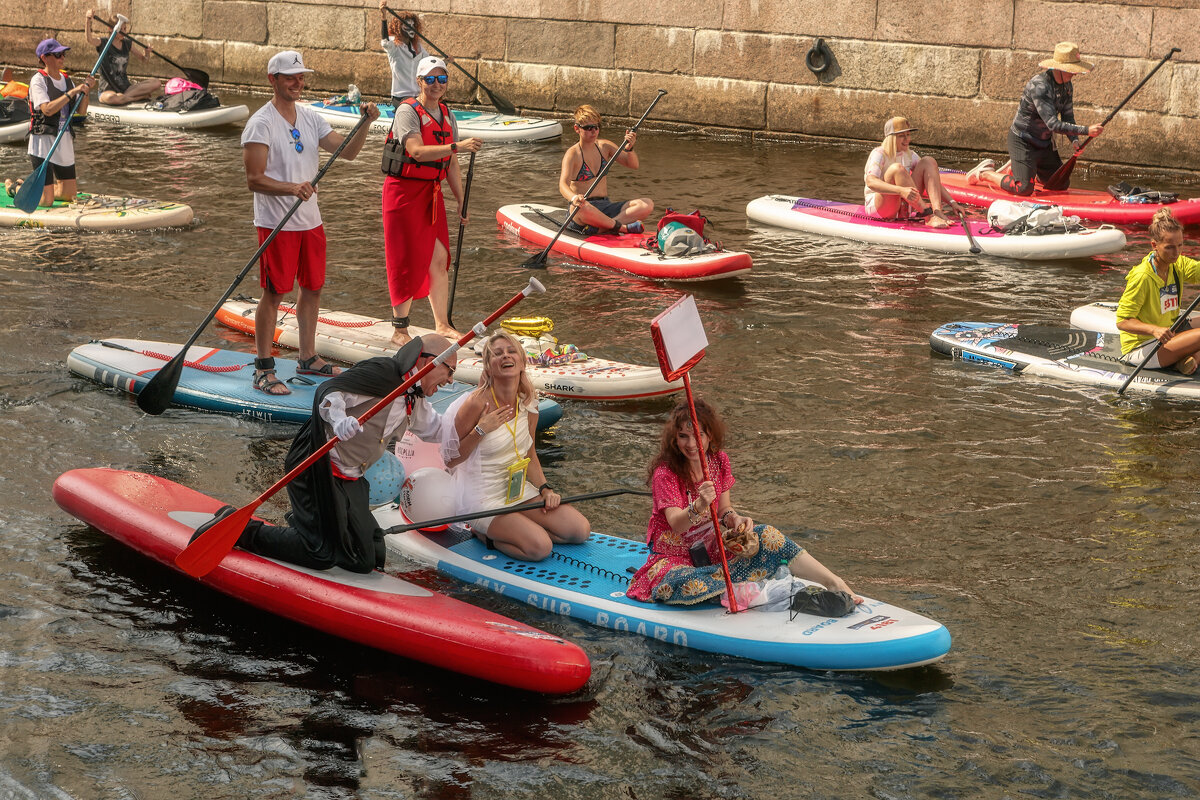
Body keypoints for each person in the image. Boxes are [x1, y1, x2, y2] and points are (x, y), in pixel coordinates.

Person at [201, 336, 459, 573]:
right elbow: (330, 391)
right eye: (450, 370)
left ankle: (306, 523)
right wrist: (338, 420)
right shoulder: (382, 373)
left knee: (366, 558)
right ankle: (244, 531)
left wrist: (481, 426)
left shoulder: (415, 399)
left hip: (350, 476)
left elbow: (437, 430)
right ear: (429, 360)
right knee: (321, 554)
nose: (450, 380)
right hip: (316, 466)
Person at [627, 399, 861, 606]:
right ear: (674, 438)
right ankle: (741, 583)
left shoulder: (719, 461)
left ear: (710, 436)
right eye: (683, 436)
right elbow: (677, 524)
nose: (690, 444)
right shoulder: (665, 473)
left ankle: (833, 581)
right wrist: (699, 505)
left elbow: (724, 510)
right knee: (685, 582)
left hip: (713, 549)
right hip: (675, 558)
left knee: (768, 535)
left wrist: (734, 519)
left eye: (698, 436)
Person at [242, 50, 378, 395]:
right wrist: (290, 187)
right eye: (290, 77)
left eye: (301, 77)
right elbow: (254, 179)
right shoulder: (260, 123)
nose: (297, 83)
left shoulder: (309, 116)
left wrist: (365, 123)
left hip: (310, 221)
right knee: (274, 293)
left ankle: (307, 357)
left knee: (313, 288)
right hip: (277, 223)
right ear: (273, 80)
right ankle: (263, 368)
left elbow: (346, 152)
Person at [440, 331, 589, 561]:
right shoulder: (476, 403)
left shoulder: (529, 401)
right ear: (488, 367)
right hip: (484, 499)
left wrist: (545, 489)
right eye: (497, 354)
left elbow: (529, 452)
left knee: (579, 530)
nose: (505, 357)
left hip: (518, 492)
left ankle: (519, 523)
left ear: (521, 361)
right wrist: (480, 430)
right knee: (541, 548)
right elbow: (451, 459)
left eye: (511, 352)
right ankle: (484, 534)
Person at [381, 55, 481, 348]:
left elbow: (450, 164)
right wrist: (457, 146)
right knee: (406, 258)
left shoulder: (447, 115)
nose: (437, 85)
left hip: (431, 195)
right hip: (402, 193)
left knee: (439, 258)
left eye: (442, 79)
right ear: (419, 82)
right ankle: (400, 328)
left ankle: (443, 324)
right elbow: (416, 152)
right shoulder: (407, 111)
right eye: (431, 79)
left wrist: (461, 201)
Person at [964, 42, 1103, 196]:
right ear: (1060, 68)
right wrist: (1086, 130)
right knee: (1023, 189)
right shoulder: (1040, 86)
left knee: (1060, 184)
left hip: (1044, 143)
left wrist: (1075, 140)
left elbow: (1067, 115)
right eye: (1072, 70)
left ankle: (1022, 170)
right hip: (1023, 141)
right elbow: (1053, 124)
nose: (1075, 74)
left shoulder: (1067, 85)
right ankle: (986, 173)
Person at [1115, 209, 1200, 376]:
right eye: (1169, 247)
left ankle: (1185, 359)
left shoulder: (1177, 263)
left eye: (1180, 245)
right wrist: (1154, 330)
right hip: (1143, 348)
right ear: (1154, 245)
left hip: (1170, 332)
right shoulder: (1142, 277)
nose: (1176, 253)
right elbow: (1122, 321)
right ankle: (1187, 357)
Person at [557, 104, 652, 235]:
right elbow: (563, 185)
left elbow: (633, 165)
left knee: (646, 204)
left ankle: (604, 227)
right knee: (580, 208)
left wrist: (629, 148)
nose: (594, 131)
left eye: (596, 127)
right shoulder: (573, 154)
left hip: (605, 206)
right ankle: (621, 228)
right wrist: (574, 198)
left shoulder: (605, 146)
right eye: (588, 128)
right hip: (584, 210)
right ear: (577, 129)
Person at [24, 39, 96, 208]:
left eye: (63, 54)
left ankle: (45, 188)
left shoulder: (66, 79)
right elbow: (47, 109)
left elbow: (82, 111)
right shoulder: (38, 80)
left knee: (68, 195)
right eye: (57, 55)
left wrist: (86, 91)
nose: (62, 57)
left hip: (63, 141)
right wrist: (72, 92)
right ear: (44, 58)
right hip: (43, 141)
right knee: (46, 201)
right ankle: (19, 187)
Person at [864, 116, 961, 228]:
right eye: (901, 136)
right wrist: (900, 190)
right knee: (897, 169)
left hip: (904, 206)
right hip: (880, 209)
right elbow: (871, 182)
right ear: (891, 138)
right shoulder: (879, 153)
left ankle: (937, 212)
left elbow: (932, 181)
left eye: (908, 135)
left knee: (928, 161)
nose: (907, 139)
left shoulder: (910, 154)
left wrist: (953, 203)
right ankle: (928, 217)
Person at [84, 10, 161, 106]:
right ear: (110, 29)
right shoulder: (103, 43)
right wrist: (87, 20)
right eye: (121, 29)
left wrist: (147, 53)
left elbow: (144, 60)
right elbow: (89, 39)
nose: (124, 32)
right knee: (111, 98)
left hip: (126, 89)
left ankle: (125, 97)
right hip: (107, 91)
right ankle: (138, 97)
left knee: (157, 82)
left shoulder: (127, 43)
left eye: (125, 29)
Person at [378, 0, 429, 104]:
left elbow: (429, 62)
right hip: (400, 96)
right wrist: (383, 17)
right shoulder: (394, 47)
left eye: (413, 25)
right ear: (398, 28)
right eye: (407, 25)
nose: (411, 28)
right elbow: (385, 41)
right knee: (414, 109)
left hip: (418, 95)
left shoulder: (418, 47)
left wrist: (445, 61)